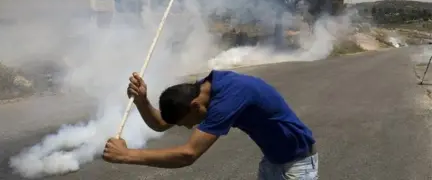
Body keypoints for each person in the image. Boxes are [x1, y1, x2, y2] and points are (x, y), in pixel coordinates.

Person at [103, 70, 319, 179]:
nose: (188, 128)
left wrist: (126, 155)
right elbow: (161, 124)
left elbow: (187, 154)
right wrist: (142, 101)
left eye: (186, 124)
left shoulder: (228, 99)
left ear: (196, 107)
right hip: (273, 160)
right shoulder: (203, 90)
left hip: (298, 162)